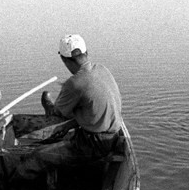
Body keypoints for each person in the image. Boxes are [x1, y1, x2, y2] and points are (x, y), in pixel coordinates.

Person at [10, 34, 123, 180]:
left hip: (93, 145)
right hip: (112, 136)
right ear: (86, 53)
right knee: (54, 141)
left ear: (64, 60)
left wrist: (48, 104)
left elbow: (57, 114)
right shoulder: (102, 69)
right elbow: (94, 113)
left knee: (36, 156)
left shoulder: (75, 83)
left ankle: (4, 186)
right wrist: (69, 125)